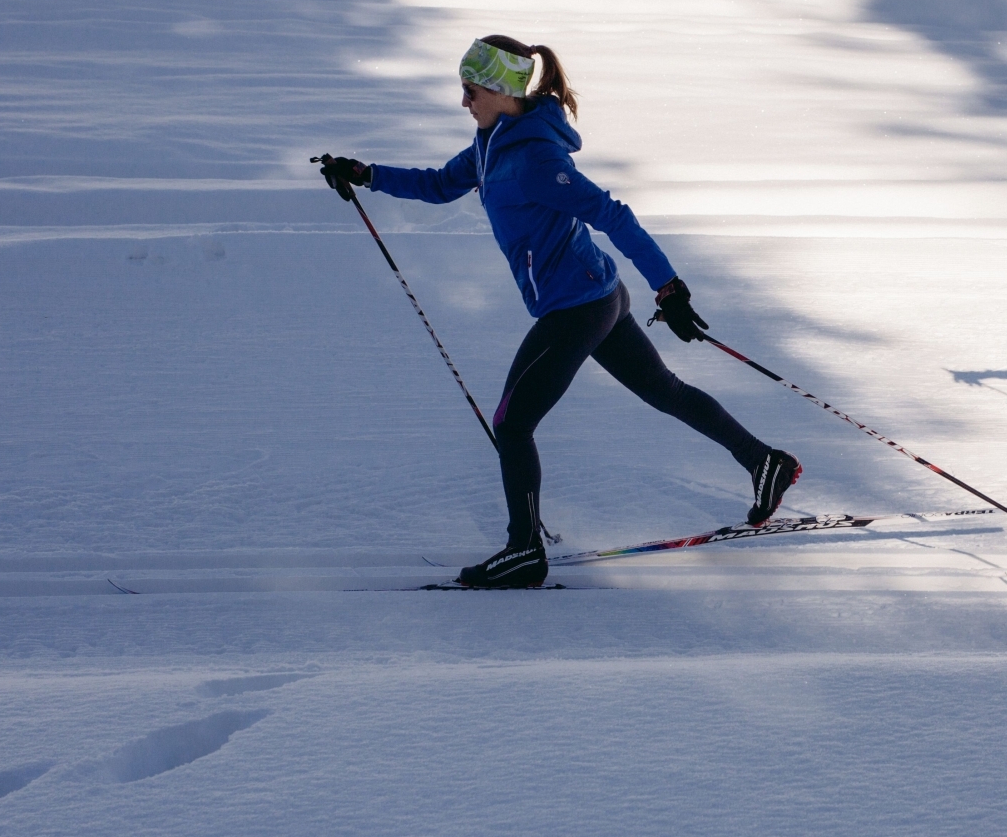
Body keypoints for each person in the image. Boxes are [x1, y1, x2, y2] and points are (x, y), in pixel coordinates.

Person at [319, 35, 800, 588]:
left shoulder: (535, 159)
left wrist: (670, 289)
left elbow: (611, 214)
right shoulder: (489, 145)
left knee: (512, 422)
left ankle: (523, 552)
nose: (463, 101)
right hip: (594, 293)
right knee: (663, 391)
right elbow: (438, 184)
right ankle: (765, 462)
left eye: (470, 90)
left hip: (580, 306)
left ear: (500, 90)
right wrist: (365, 173)